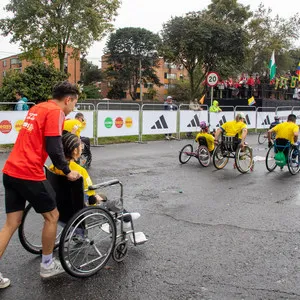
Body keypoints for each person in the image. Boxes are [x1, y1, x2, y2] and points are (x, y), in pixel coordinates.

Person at [0, 81, 81, 285]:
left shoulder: (38, 107)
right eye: (74, 104)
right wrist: (66, 170)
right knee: (53, 216)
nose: (73, 109)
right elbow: (54, 148)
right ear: (68, 99)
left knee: (11, 224)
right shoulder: (56, 112)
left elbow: (41, 138)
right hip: (28, 172)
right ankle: (47, 265)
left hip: (11, 170)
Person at [49, 132, 143, 231]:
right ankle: (126, 218)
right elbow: (90, 197)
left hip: (62, 209)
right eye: (80, 145)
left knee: (102, 196)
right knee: (109, 200)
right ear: (75, 150)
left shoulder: (53, 167)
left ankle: (123, 218)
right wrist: (96, 198)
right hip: (83, 212)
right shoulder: (79, 171)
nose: (82, 147)